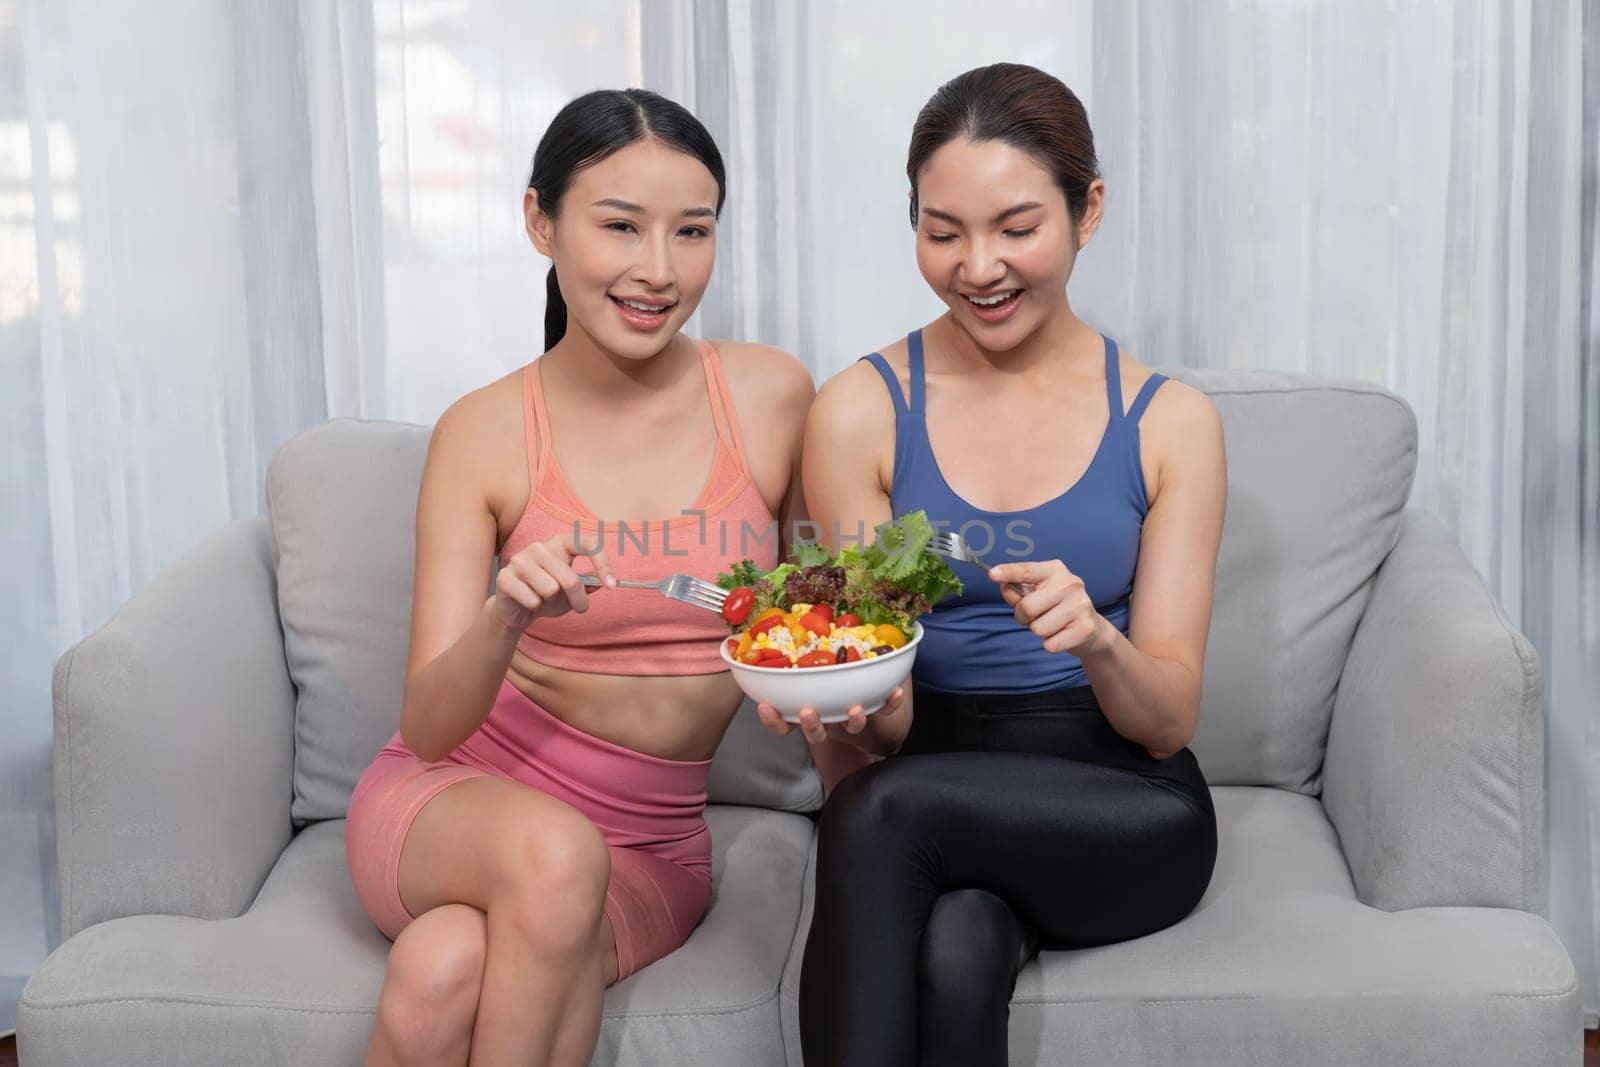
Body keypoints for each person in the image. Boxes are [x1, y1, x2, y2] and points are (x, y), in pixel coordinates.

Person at [759, 63, 1227, 1066]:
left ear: (1086, 209)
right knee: (958, 943)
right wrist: (848, 705)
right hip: (925, 786)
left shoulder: (1171, 422)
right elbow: (867, 754)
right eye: (942, 230)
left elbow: (1168, 717)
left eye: (1017, 227)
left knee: (886, 814)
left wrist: (1099, 639)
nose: (978, 266)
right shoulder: (858, 410)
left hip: (1122, 802)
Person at [344, 88, 813, 1066]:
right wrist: (504, 616)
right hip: (457, 801)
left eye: (691, 231)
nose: (657, 269)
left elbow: (815, 617)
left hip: (649, 844)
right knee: (551, 852)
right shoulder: (483, 428)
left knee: (441, 965)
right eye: (619, 225)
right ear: (539, 221)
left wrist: (821, 683)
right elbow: (429, 723)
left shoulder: (768, 395)